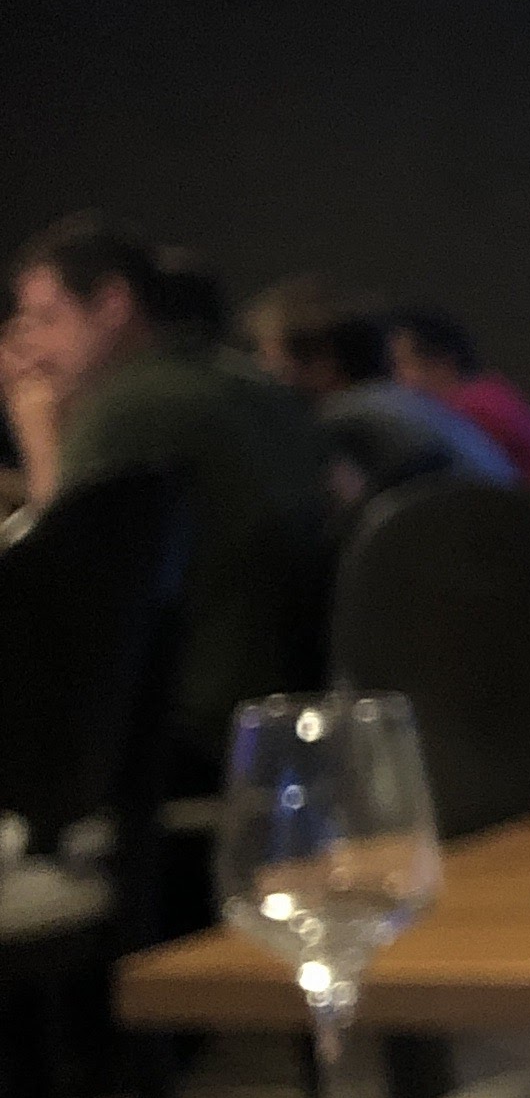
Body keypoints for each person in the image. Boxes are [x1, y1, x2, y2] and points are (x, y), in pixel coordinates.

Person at [2, 214, 327, 778]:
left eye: (47, 320)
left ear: (113, 303)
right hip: (296, 712)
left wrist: (40, 442)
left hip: (187, 740)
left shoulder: (126, 411)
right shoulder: (255, 387)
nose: (35, 350)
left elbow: (58, 617)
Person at [244, 284, 518, 498]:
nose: (259, 367)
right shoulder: (398, 402)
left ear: (322, 361)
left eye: (267, 355)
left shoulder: (349, 420)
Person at [385, 305, 530, 501]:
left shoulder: (475, 410)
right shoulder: (486, 392)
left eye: (403, 364)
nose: (397, 379)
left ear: (442, 362)